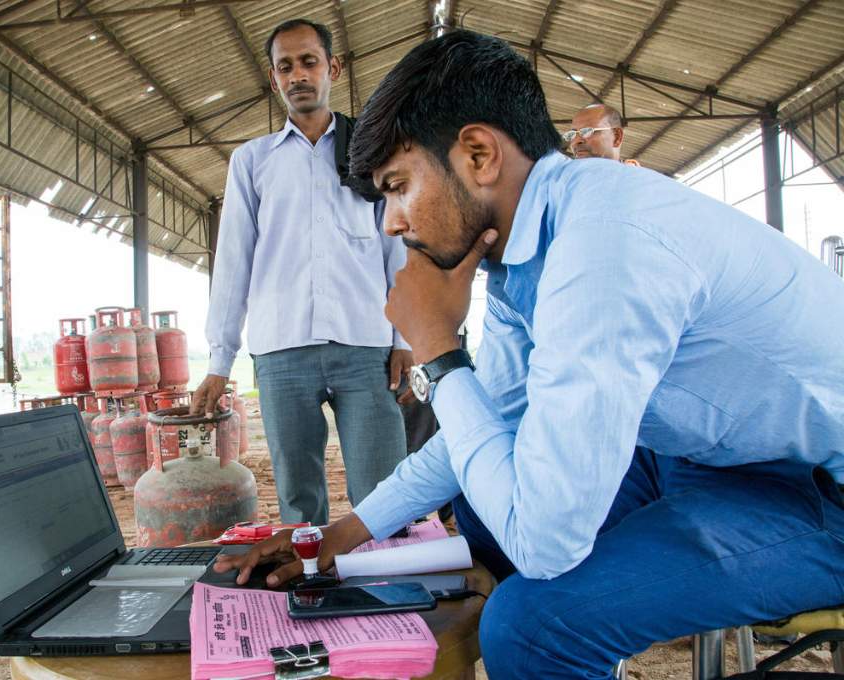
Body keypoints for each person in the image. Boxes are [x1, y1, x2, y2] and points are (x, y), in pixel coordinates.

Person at [215, 31, 844, 679]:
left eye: (399, 187)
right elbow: (494, 420)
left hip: (819, 488)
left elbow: (545, 544)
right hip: (706, 453)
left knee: (533, 624)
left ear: (479, 154)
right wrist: (347, 534)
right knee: (484, 512)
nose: (393, 224)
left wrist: (439, 352)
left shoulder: (605, 245)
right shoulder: (527, 254)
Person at [192, 19, 409, 526]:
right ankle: (307, 589)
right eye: (285, 67)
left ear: (333, 67)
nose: (298, 75)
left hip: (366, 346)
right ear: (274, 80)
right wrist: (219, 359)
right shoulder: (252, 161)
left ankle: (389, 594)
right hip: (280, 350)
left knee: (384, 492)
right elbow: (233, 262)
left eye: (309, 62)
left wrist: (404, 337)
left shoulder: (368, 149)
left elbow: (396, 248)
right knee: (298, 498)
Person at [565, 102, 632, 162]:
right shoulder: (565, 175)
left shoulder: (634, 175)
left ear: (616, 137)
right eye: (572, 134)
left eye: (587, 131)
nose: (576, 141)